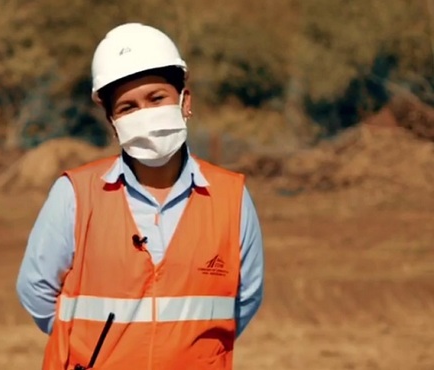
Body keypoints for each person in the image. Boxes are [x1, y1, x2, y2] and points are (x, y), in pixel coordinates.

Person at [16, 22, 264, 370]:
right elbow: (36, 291)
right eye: (128, 107)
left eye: (156, 98)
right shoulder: (75, 195)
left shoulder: (232, 198)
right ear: (112, 121)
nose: (145, 114)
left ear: (184, 101)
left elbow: (243, 301)